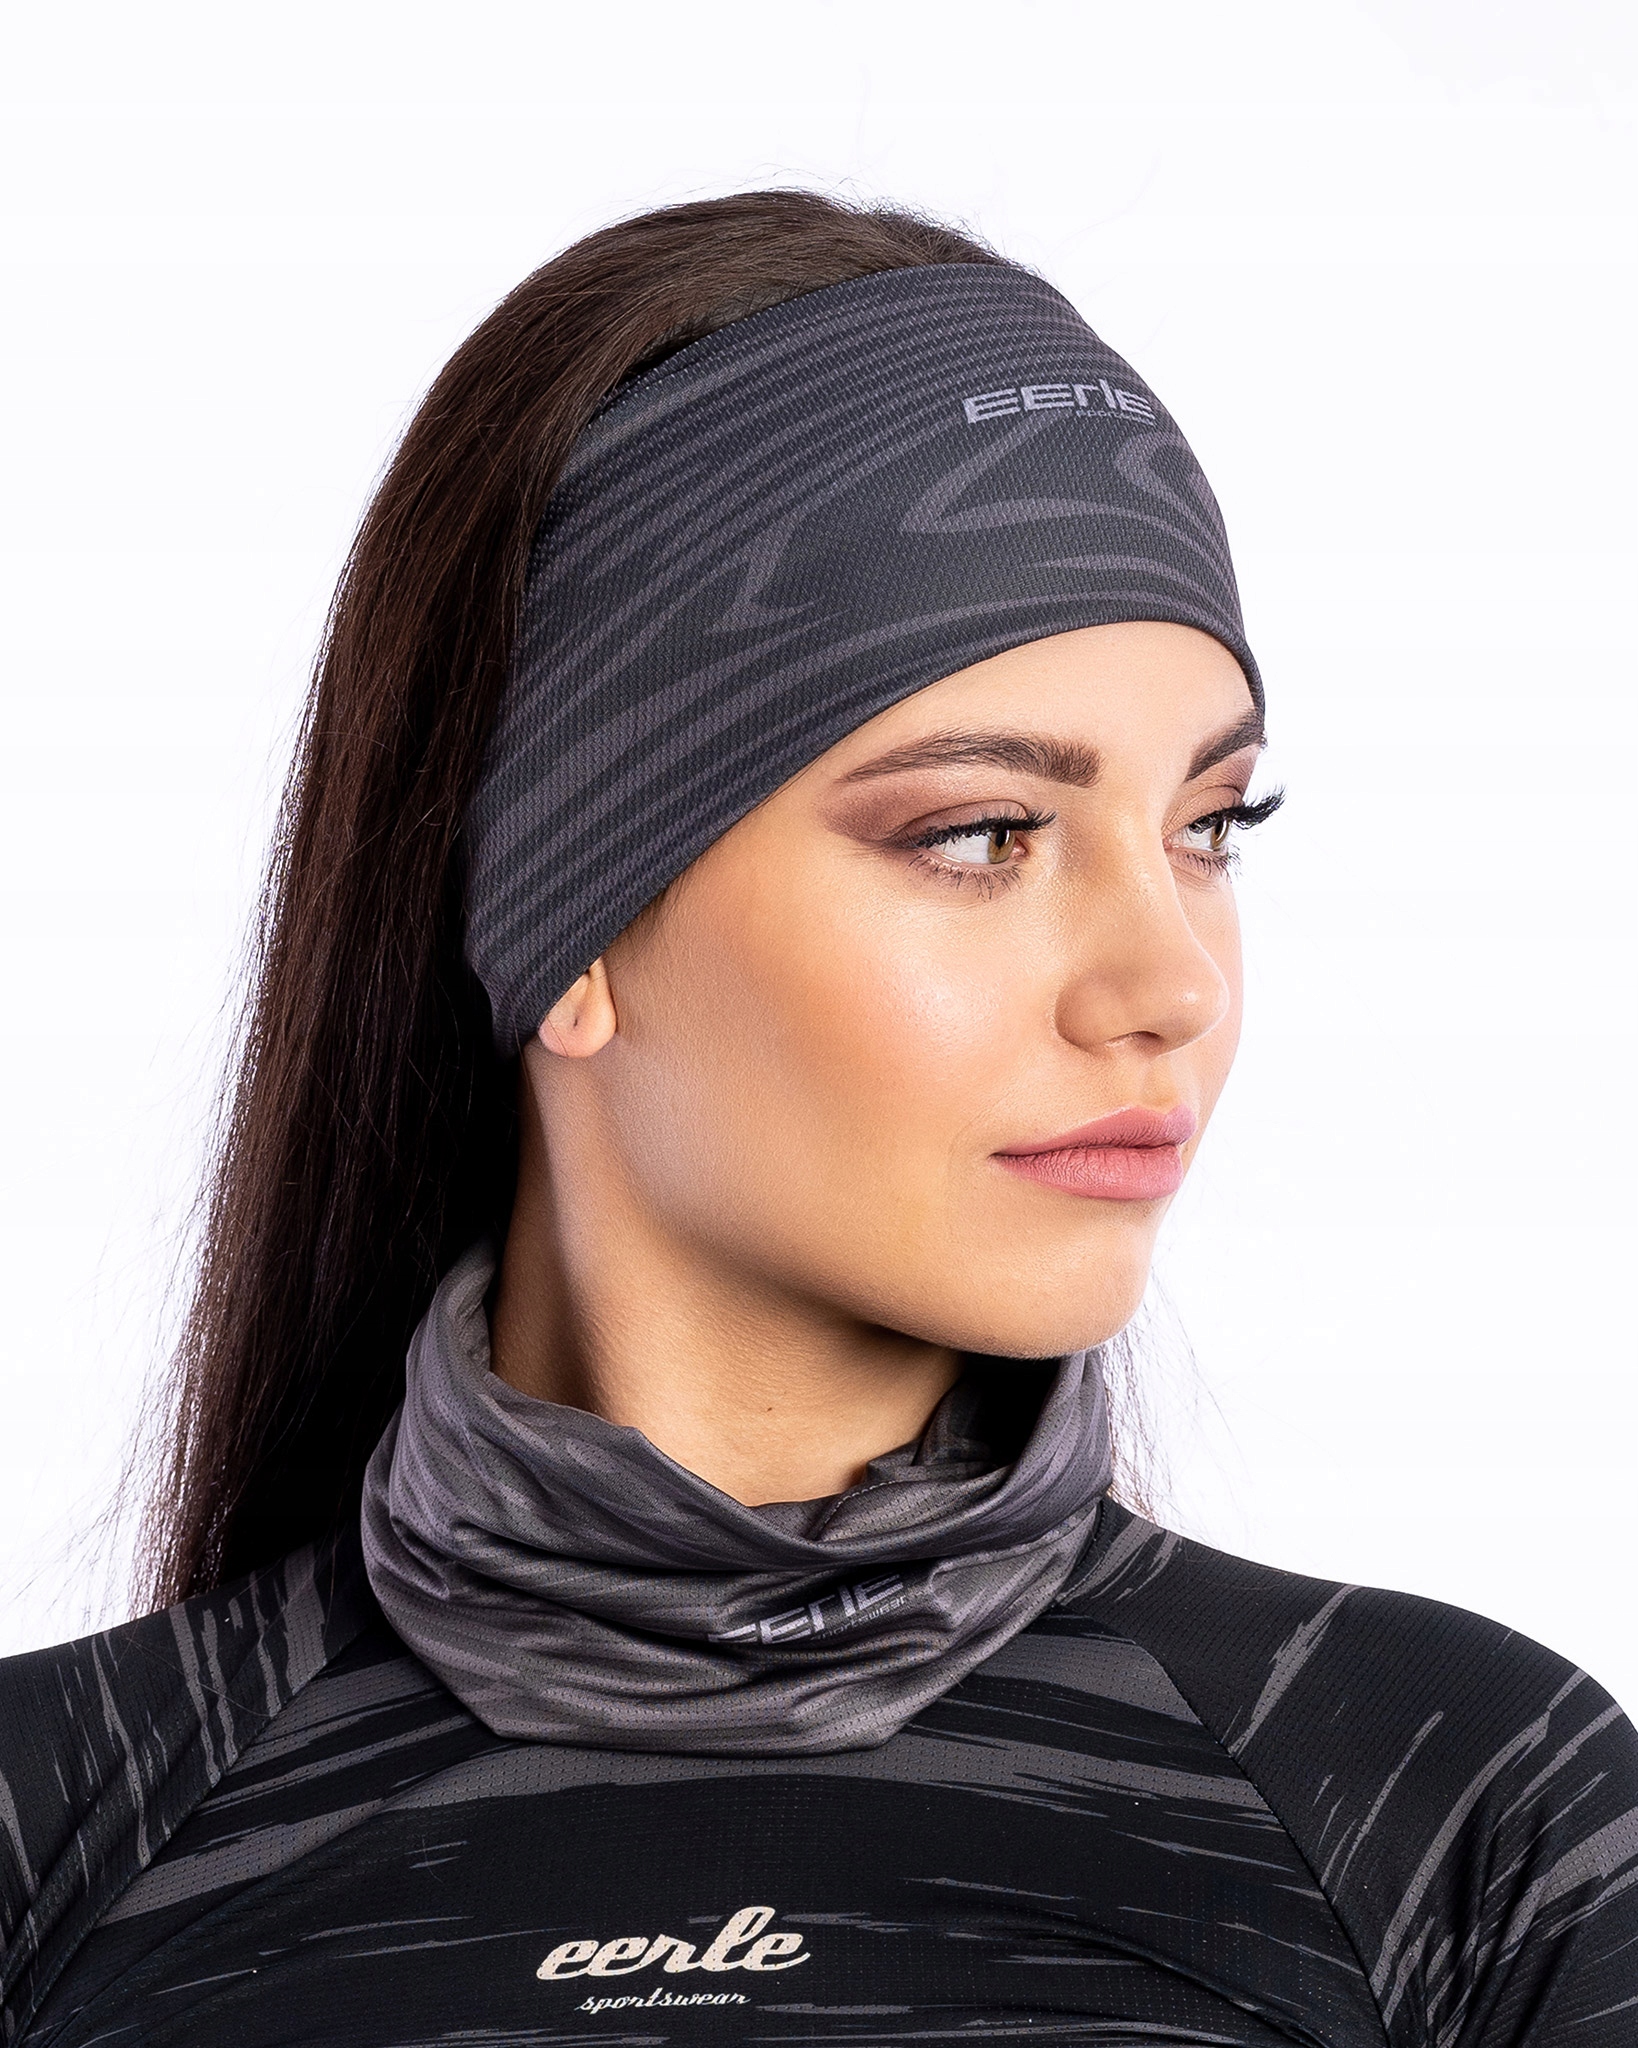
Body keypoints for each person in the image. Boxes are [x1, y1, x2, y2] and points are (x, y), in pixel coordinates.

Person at [0, 189, 1632, 2048]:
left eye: (1209, 825)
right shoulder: (53, 1827)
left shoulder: (1456, 1811)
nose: (1167, 981)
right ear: (564, 924)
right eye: (980, 834)